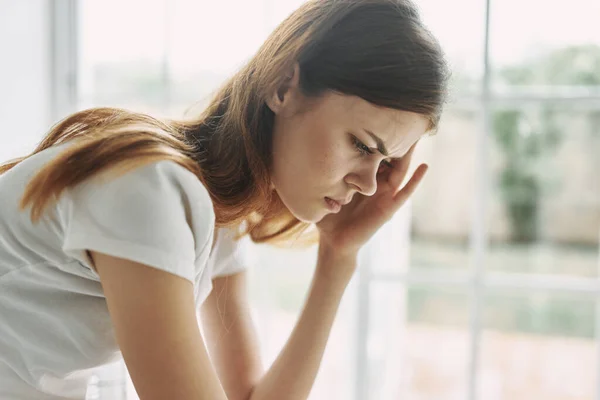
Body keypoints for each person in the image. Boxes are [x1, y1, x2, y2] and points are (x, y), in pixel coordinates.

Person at [0, 0, 449, 398]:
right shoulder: (149, 188)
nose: (370, 184)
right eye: (362, 145)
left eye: (385, 161)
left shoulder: (220, 219)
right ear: (282, 86)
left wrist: (338, 256)